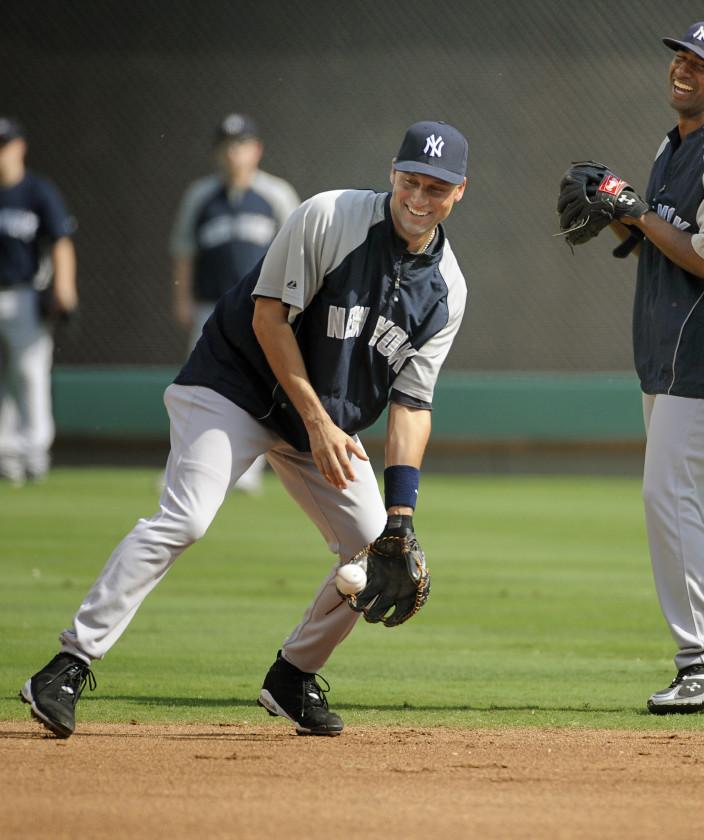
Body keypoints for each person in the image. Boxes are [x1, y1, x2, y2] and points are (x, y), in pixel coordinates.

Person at [20, 120, 469, 738]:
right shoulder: (331, 218)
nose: (419, 199)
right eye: (410, 182)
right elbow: (268, 317)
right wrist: (314, 420)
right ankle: (67, 665)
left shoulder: (448, 291)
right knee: (188, 517)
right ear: (392, 174)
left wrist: (403, 515)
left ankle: (292, 676)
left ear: (460, 192)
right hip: (235, 384)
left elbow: (413, 405)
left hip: (324, 422)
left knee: (370, 545)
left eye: (436, 189)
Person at [572, 22, 704, 712]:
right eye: (682, 58)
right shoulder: (675, 144)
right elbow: (658, 237)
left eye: (703, 64)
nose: (685, 69)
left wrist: (633, 209)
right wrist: (614, 209)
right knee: (699, 506)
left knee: (671, 499)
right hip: (667, 355)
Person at [169, 113, 299, 493]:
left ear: (256, 150)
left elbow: (301, 250)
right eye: (226, 145)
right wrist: (182, 297)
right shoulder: (200, 196)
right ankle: (185, 467)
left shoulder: (276, 194)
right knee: (198, 386)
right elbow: (183, 250)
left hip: (263, 309)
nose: (233, 153)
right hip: (210, 307)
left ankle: (247, 471)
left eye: (241, 144)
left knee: (261, 384)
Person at [0, 116, 78, 485]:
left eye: (5, 145)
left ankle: (33, 452)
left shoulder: (37, 191)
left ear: (20, 147)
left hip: (26, 294)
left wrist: (64, 286)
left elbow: (60, 240)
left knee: (30, 374)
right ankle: (6, 456)